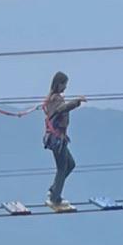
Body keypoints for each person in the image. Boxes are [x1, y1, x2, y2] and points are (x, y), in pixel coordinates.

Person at [41, 71, 84, 207]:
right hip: (57, 140)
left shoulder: (52, 98)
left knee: (70, 164)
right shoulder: (55, 99)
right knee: (62, 167)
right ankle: (55, 198)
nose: (65, 87)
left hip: (60, 139)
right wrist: (77, 102)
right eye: (64, 85)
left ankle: (54, 190)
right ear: (59, 84)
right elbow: (62, 109)